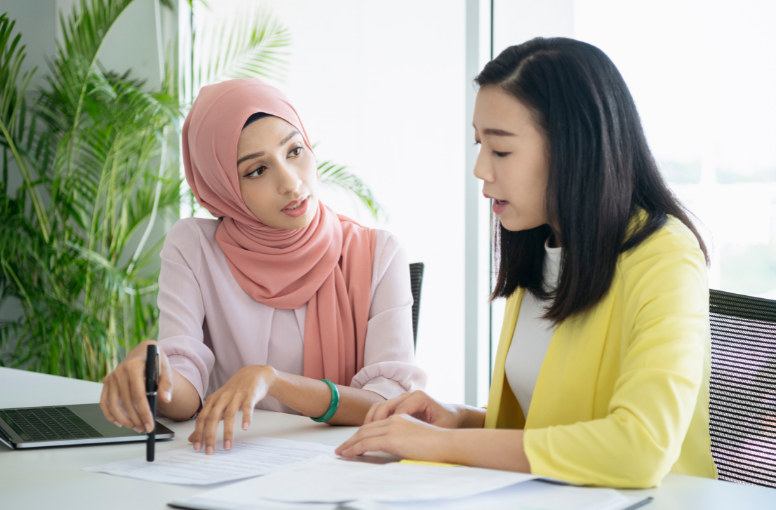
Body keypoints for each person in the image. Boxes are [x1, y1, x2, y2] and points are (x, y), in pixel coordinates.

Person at [336, 37, 717, 488]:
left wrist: (442, 446)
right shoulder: (539, 242)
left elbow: (639, 448)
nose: (480, 168)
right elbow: (552, 431)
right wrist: (459, 420)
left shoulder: (665, 258)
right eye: (479, 145)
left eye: (500, 150)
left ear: (576, 148)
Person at [99, 79, 426, 455]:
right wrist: (155, 370)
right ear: (222, 188)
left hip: (339, 462)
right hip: (228, 461)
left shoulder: (378, 253)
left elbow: (390, 405)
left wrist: (273, 382)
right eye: (256, 170)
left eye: (295, 150)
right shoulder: (194, 248)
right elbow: (185, 396)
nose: (291, 182)